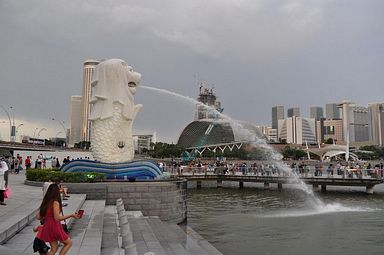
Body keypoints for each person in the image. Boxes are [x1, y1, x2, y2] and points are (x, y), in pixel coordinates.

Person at [38, 183, 80, 255]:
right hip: (54, 226)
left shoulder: (45, 202)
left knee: (54, 249)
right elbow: (57, 218)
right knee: (69, 243)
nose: (61, 190)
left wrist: (47, 215)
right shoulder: (55, 203)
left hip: (47, 226)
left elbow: (38, 217)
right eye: (59, 189)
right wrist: (71, 215)